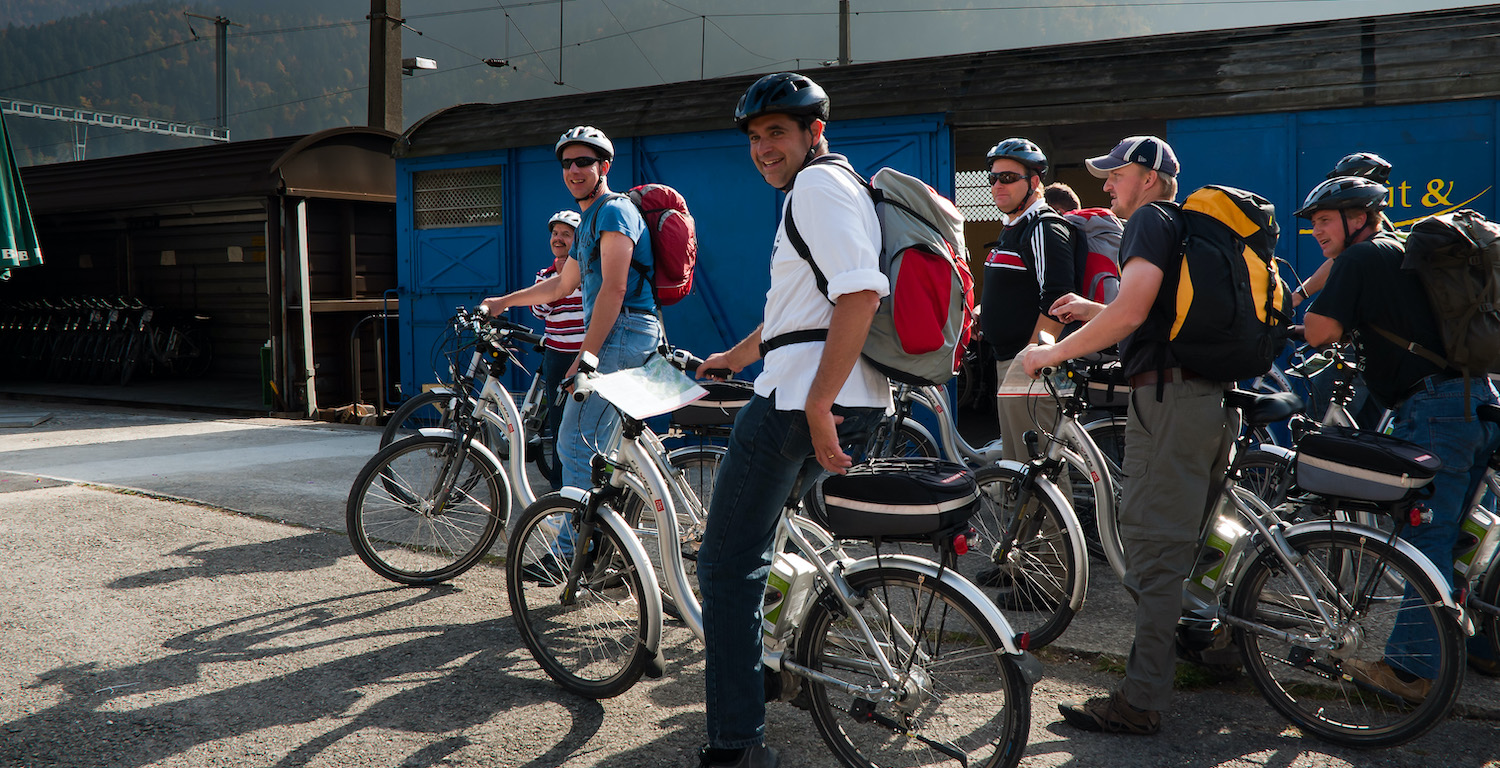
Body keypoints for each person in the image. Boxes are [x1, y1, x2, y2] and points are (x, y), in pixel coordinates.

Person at [692, 72, 890, 768]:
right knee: (777, 541)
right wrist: (733, 355)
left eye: (777, 132)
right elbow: (801, 313)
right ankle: (774, 666)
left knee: (724, 568)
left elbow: (860, 296)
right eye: (754, 137)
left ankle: (737, 744)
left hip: (797, 406)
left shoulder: (816, 188)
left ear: (815, 133)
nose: (763, 148)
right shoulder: (838, 188)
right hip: (846, 398)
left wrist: (814, 403)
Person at [1022, 135, 1234, 735]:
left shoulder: (1147, 223)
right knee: (1185, 540)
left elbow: (1136, 309)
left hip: (1169, 404)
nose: (1106, 185)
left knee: (1154, 552)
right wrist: (1093, 314)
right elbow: (1160, 316)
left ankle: (1140, 701)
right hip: (1204, 397)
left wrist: (1051, 355)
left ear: (1146, 176)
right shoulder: (1185, 226)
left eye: (1115, 174)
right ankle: (1213, 645)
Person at [1299, 175, 1500, 694]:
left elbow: (1321, 330)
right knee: (1452, 536)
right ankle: (1471, 649)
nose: (1317, 231)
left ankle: (1411, 671)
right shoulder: (1400, 254)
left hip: (1434, 409)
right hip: (1473, 400)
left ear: (1359, 218)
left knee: (1425, 536)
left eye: (1324, 220)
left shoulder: (1360, 260)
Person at [479, 125, 661, 514]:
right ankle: (599, 549)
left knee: (574, 444)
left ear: (605, 165)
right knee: (596, 449)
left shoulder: (613, 211)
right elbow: (562, 285)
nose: (574, 170)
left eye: (584, 162)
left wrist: (587, 356)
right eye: (567, 163)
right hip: (620, 331)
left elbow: (614, 289)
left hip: (624, 330)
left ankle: (572, 552)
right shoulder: (589, 220)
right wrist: (503, 302)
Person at [980, 138, 1076, 464]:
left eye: (1007, 178)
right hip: (1009, 361)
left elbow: (1058, 301)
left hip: (1031, 364)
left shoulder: (1044, 227)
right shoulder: (1013, 226)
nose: (997, 186)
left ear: (1034, 182)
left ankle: (1051, 519)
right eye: (992, 178)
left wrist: (1031, 359)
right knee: (1017, 462)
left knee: (1035, 468)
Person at [1289, 151, 1394, 309]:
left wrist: (1298, 297)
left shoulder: (1369, 236)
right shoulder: (1381, 229)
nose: (1316, 231)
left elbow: (1338, 262)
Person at [529, 210, 583, 489]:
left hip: (585, 357)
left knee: (585, 421)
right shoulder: (544, 274)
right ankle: (561, 484)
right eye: (555, 233)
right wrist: (558, 282)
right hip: (557, 357)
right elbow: (538, 310)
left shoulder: (589, 274)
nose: (558, 239)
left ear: (580, 239)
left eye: (566, 234)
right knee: (560, 422)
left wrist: (569, 279)